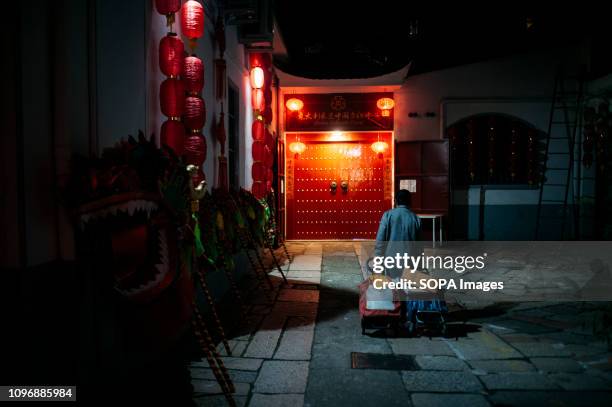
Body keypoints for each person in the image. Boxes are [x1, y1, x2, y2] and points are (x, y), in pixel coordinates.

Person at [374, 189, 422, 279]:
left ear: (395, 201)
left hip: (390, 261)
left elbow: (380, 242)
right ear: (410, 202)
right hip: (409, 262)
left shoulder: (387, 215)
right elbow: (419, 247)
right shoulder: (416, 218)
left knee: (391, 289)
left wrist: (378, 264)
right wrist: (419, 266)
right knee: (405, 289)